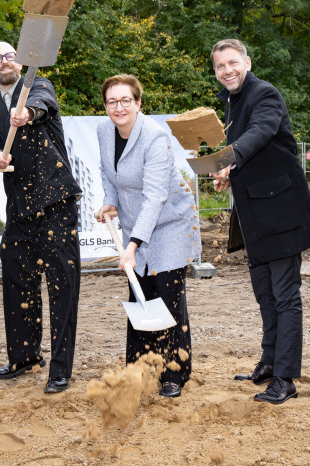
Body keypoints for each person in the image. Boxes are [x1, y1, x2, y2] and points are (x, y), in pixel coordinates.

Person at [209, 39, 310, 405]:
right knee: (265, 294)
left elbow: (261, 132)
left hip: (282, 211)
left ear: (247, 61)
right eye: (220, 66)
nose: (227, 70)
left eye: (232, 63)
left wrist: (230, 157)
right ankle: (270, 363)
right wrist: (230, 170)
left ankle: (285, 378)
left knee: (286, 296)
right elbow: (250, 152)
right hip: (255, 214)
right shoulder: (230, 101)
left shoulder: (265, 94)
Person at [0, 41, 82, 394]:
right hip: (19, 207)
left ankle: (60, 368)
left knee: (61, 284)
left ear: (20, 62)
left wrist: (28, 113)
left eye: (9, 55)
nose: (4, 62)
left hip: (55, 201)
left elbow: (43, 105)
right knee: (17, 279)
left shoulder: (36, 87)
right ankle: (24, 356)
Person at [95, 74, 200, 398]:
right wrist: (109, 200)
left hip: (170, 222)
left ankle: (174, 372)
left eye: (126, 100)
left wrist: (132, 246)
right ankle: (138, 369)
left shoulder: (154, 137)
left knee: (167, 293)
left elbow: (156, 196)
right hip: (137, 222)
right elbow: (107, 172)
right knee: (139, 291)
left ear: (138, 103)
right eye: (112, 101)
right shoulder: (104, 131)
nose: (119, 107)